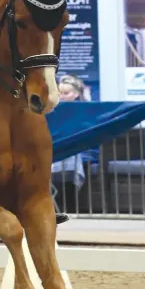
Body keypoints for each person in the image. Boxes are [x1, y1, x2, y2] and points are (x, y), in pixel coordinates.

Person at [51, 75, 87, 225]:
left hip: (76, 152)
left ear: (77, 94)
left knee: (69, 178)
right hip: (55, 150)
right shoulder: (52, 109)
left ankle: (70, 212)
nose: (63, 97)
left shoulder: (83, 110)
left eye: (67, 93)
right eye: (60, 93)